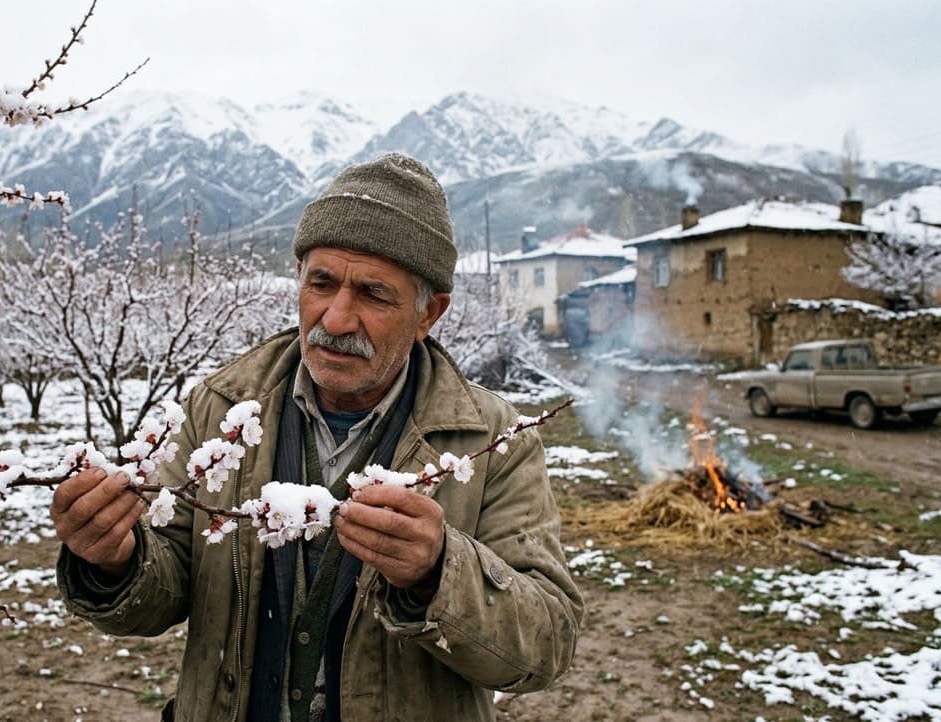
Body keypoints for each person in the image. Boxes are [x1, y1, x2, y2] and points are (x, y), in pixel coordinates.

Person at [52, 153, 583, 721]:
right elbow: (166, 585)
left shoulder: (492, 442)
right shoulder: (223, 410)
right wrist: (115, 559)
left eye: (374, 294)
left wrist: (439, 572)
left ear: (429, 313)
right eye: (321, 283)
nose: (335, 319)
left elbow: (547, 644)